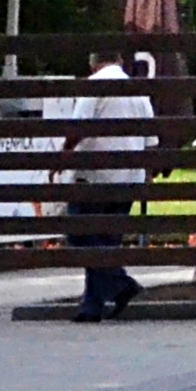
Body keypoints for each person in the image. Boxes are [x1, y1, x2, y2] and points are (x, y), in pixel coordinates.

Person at [56, 53, 153, 321]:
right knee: (106, 241)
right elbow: (150, 139)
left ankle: (122, 286)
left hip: (95, 176)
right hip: (129, 176)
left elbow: (78, 128)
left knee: (79, 233)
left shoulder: (94, 86)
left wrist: (62, 155)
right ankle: (93, 305)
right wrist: (147, 172)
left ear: (92, 62)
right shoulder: (138, 91)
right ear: (119, 61)